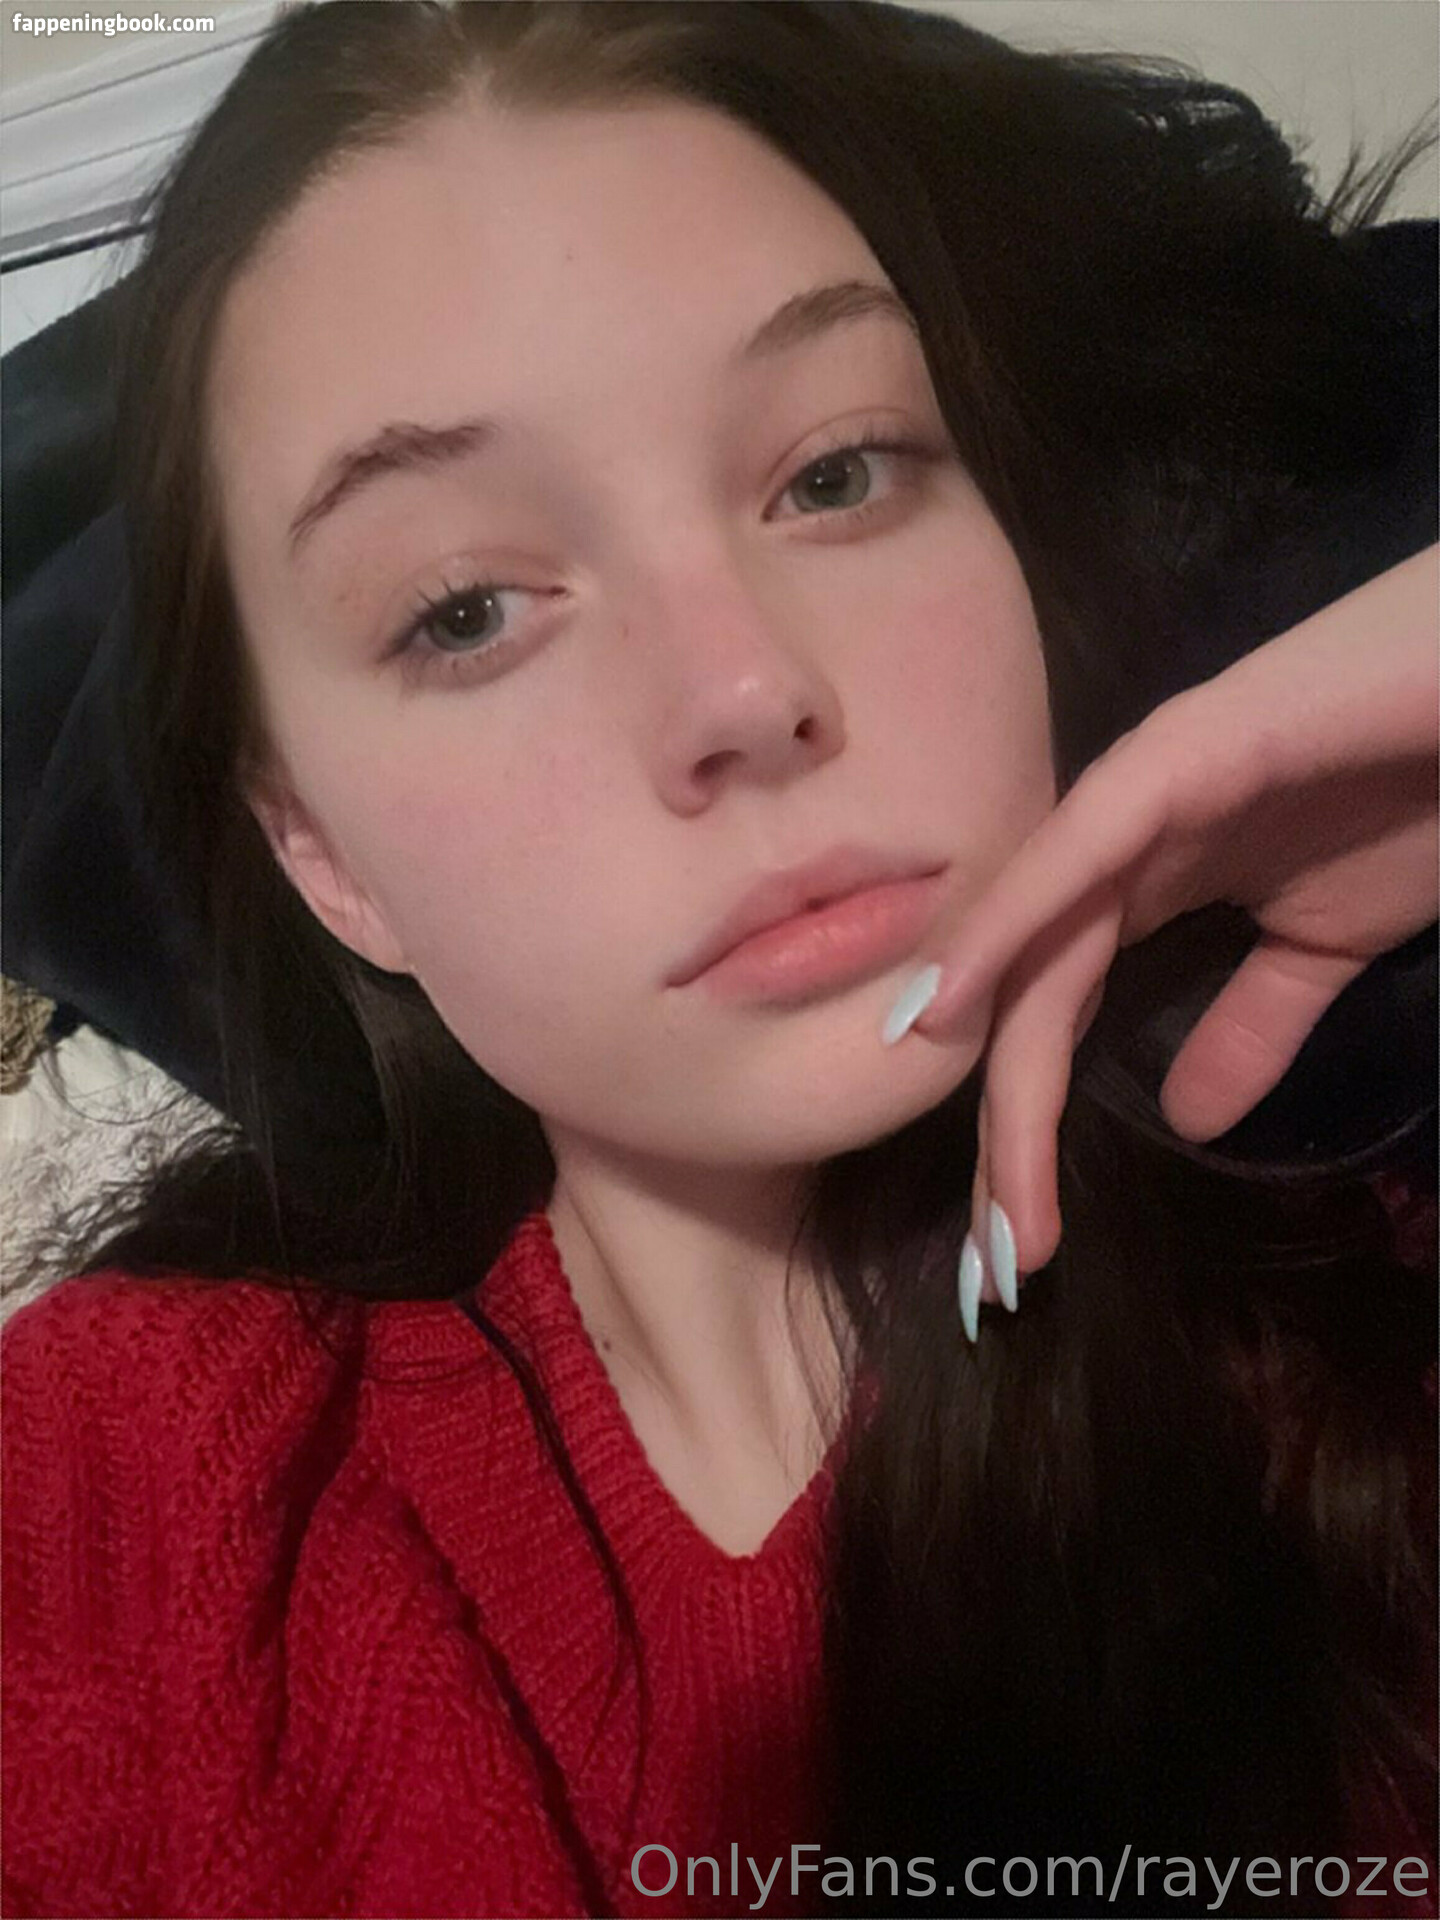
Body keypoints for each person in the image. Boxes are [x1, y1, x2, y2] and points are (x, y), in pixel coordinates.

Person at [2, 4, 1435, 1916]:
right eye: (468, 608)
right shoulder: (122, 1501)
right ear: (321, 854)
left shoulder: (1382, 1307)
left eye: (837, 475)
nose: (746, 692)